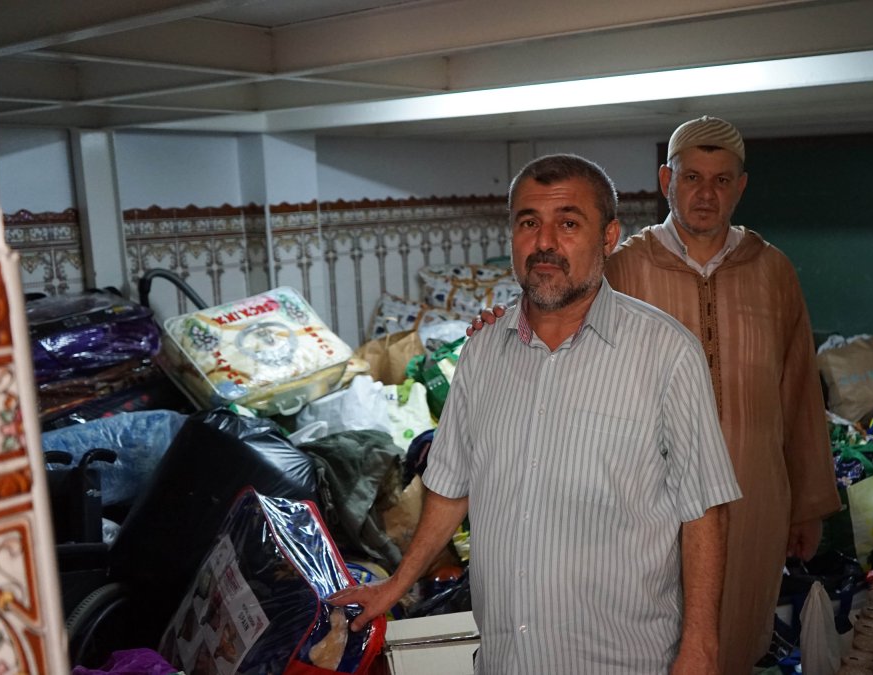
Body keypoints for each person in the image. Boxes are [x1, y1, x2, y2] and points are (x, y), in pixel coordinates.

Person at [330, 153, 742, 675]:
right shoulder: (481, 353)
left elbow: (704, 508)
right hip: (508, 657)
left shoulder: (666, 353)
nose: (545, 242)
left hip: (623, 659)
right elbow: (451, 486)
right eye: (529, 223)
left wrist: (701, 644)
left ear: (609, 237)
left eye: (569, 223)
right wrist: (395, 584)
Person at [469, 117, 840, 674]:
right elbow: (551, 310)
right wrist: (497, 321)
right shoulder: (624, 263)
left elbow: (799, 391)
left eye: (721, 180)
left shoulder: (773, 271)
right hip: (649, 508)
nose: (705, 194)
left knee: (734, 640)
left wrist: (808, 502)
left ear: (741, 187)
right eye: (692, 177)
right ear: (667, 179)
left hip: (754, 497)